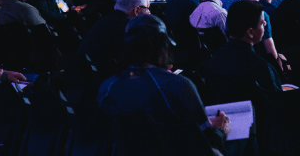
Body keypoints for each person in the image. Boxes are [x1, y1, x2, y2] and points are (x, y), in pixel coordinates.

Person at [98, 14, 230, 155]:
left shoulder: (106, 88)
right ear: (163, 46)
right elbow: (208, 143)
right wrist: (220, 130)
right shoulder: (179, 86)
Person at [204, 0, 282, 92]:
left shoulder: (213, 60)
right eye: (262, 22)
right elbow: (277, 101)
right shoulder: (261, 67)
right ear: (250, 32)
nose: (265, 24)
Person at [78, 0, 151, 65]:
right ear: (136, 10)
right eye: (147, 8)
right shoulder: (131, 28)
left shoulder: (103, 20)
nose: (149, 13)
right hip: (105, 74)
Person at [237, 0, 282, 65]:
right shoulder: (261, 14)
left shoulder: (234, 9)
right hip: (258, 60)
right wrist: (278, 66)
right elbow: (268, 43)